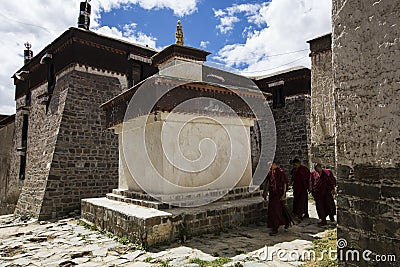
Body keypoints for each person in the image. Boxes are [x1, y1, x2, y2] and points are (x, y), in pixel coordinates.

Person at [262, 162, 292, 235]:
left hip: (279, 193)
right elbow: (268, 182)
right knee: (274, 210)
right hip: (272, 194)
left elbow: (285, 183)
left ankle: (275, 228)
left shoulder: (280, 172)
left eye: (271, 165)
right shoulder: (270, 172)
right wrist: (265, 192)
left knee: (276, 210)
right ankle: (285, 221)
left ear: (275, 165)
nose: (270, 167)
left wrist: (284, 194)